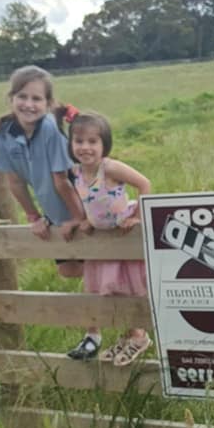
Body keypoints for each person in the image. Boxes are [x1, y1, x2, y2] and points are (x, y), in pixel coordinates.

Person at [0, 65, 95, 357]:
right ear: (11, 97)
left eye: (37, 99)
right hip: (59, 212)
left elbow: (63, 181)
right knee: (72, 271)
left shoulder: (49, 128)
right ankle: (99, 328)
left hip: (85, 205)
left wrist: (79, 219)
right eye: (23, 96)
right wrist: (34, 217)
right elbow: (14, 180)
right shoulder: (0, 135)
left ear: (48, 105)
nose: (29, 104)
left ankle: (117, 333)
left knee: (101, 273)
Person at [63, 108, 153, 366]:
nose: (85, 148)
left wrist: (139, 219)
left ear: (104, 145)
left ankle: (139, 336)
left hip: (122, 234)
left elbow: (144, 183)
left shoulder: (110, 168)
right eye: (79, 141)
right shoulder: (76, 173)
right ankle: (127, 336)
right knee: (108, 290)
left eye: (93, 142)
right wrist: (85, 221)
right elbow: (89, 202)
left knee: (128, 288)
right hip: (102, 239)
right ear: (71, 144)